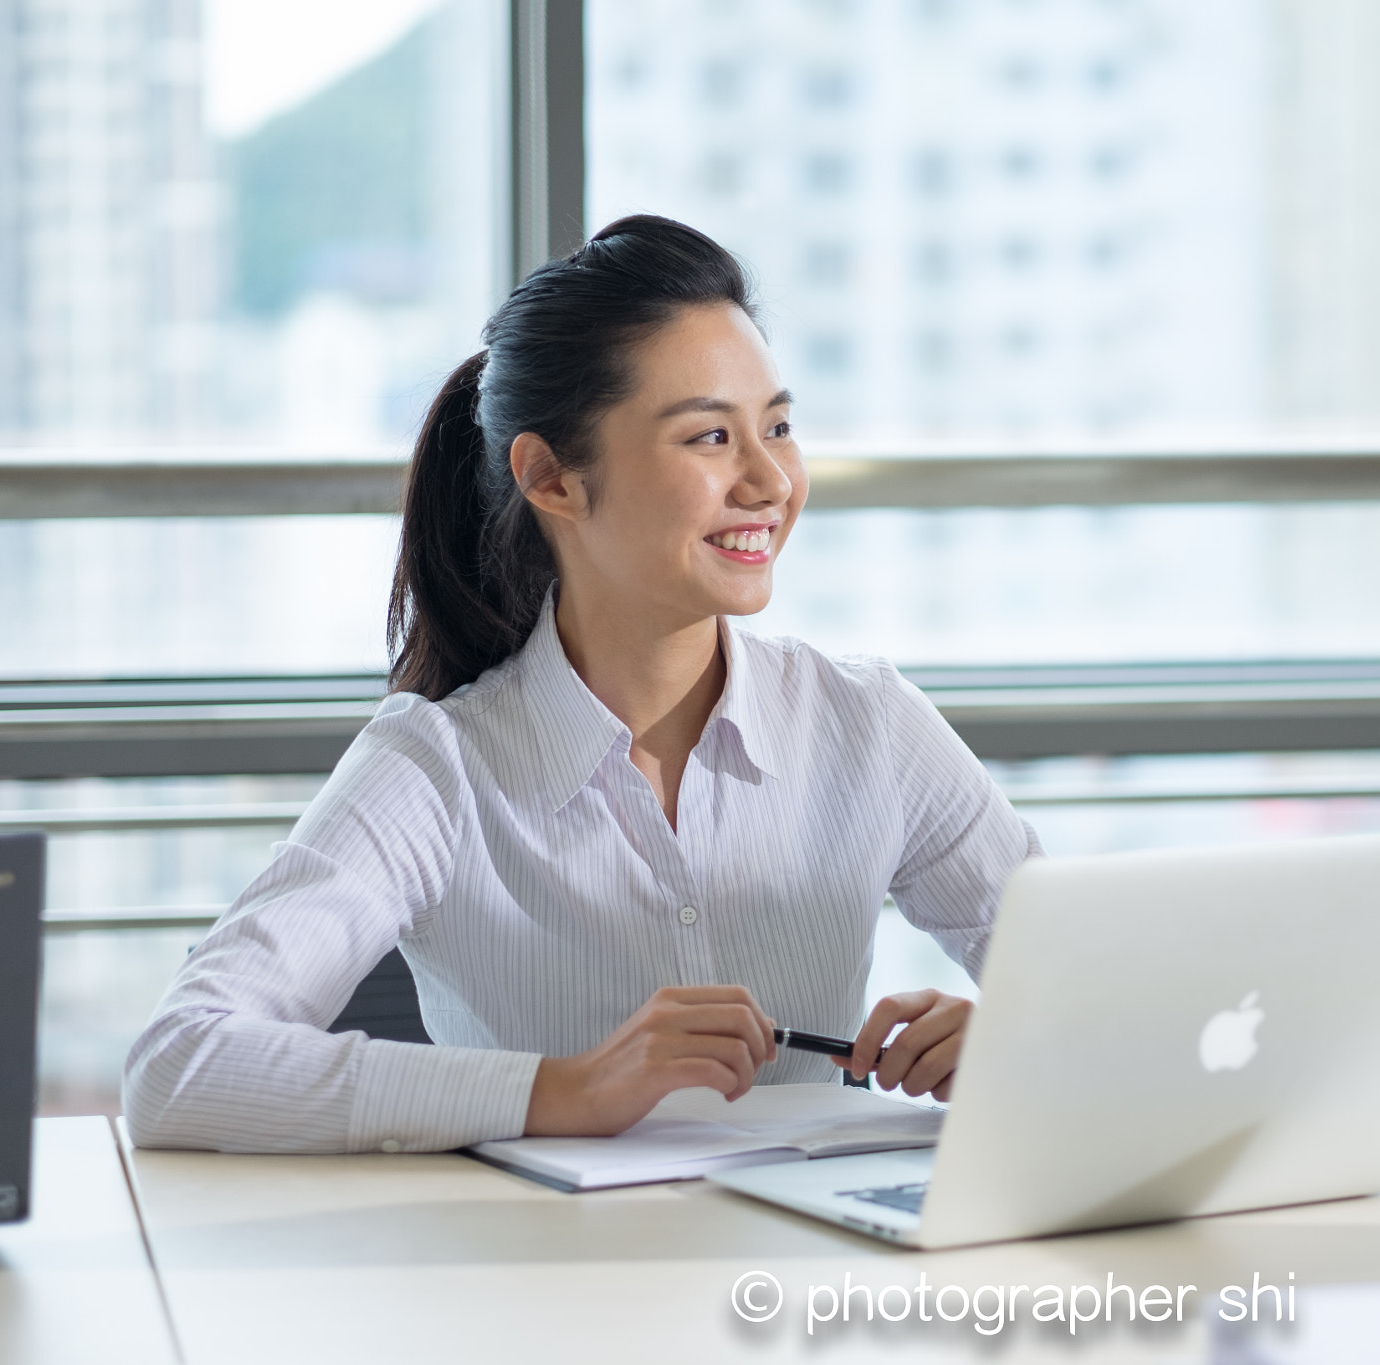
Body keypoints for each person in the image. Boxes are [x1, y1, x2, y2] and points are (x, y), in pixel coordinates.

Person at [122, 216, 1040, 1153]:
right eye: (711, 436)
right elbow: (178, 1063)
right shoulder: (438, 766)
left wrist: (1023, 1041)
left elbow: (1128, 1002)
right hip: (545, 1285)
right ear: (551, 477)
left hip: (807, 1279)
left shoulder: (868, 725)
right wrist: (566, 1089)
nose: (770, 480)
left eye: (779, 427)